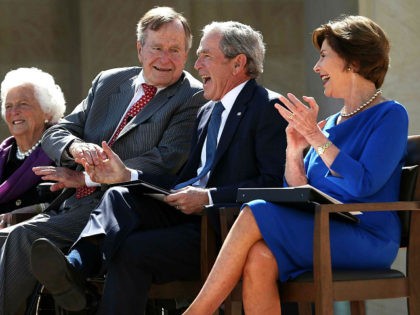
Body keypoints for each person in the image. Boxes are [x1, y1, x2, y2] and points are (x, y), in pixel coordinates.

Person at [30, 21, 288, 314]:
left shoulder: (268, 107)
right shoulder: (207, 111)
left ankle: (80, 285)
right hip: (184, 217)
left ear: (238, 63)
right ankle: (75, 267)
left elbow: (273, 184)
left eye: (206, 56)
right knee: (119, 195)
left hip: (223, 231)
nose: (197, 63)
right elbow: (185, 179)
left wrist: (209, 197)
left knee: (133, 250)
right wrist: (127, 176)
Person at [181, 15, 409, 315]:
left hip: (368, 238)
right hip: (322, 230)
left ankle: (197, 312)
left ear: (352, 60)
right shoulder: (328, 125)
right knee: (259, 257)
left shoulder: (390, 115)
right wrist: (294, 147)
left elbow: (363, 183)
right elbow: (298, 191)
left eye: (324, 56)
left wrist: (316, 137)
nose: (317, 67)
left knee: (255, 209)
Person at [0, 7, 205, 314]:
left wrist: (88, 176)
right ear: (140, 49)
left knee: (21, 237)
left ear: (187, 53)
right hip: (69, 203)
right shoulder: (108, 82)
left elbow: (165, 160)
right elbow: (58, 131)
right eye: (157, 48)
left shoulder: (191, 96)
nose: (165, 59)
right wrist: (75, 149)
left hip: (122, 208)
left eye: (175, 50)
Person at [0, 67, 66, 227]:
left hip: (39, 242)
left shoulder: (62, 152)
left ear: (47, 112)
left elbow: (68, 208)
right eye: (8, 106)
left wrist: (19, 216)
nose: (14, 111)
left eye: (23, 104)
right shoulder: (3, 156)